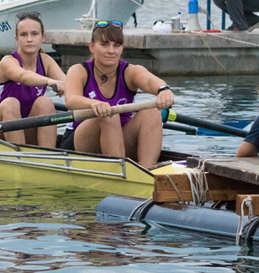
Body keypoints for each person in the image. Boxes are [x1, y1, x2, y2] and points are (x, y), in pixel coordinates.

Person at [63, 20, 175, 169]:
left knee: (152, 112)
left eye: (116, 45)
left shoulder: (130, 71)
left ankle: (149, 172)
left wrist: (163, 90)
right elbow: (71, 100)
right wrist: (94, 104)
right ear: (92, 47)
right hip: (83, 141)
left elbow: (150, 81)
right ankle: (120, 171)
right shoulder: (79, 71)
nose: (111, 51)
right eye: (104, 45)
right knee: (109, 114)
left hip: (120, 138)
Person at [0, 12, 67, 148]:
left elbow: (69, 84)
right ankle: (20, 158)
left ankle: (48, 155)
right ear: (16, 39)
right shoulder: (8, 62)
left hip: (27, 128)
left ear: (43, 37)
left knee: (45, 102)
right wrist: (50, 81)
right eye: (24, 35)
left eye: (35, 34)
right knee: (10, 103)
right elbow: (23, 76)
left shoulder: (46, 61)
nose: (29, 39)